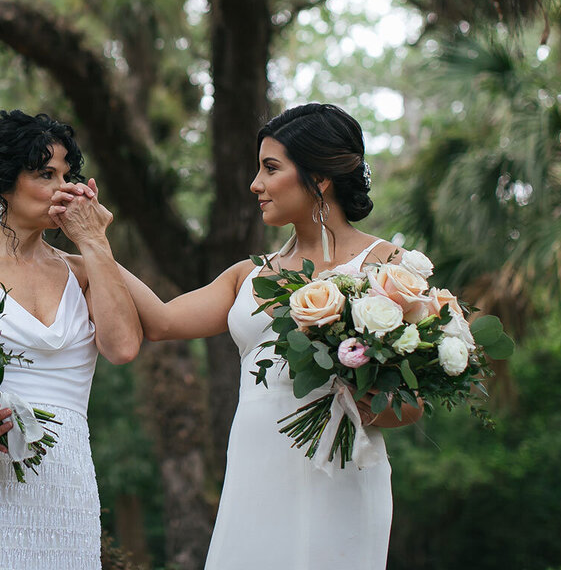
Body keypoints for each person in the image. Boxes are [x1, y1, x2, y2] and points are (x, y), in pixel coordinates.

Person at [54, 103, 421, 569]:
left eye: (271, 169)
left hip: (340, 471)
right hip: (255, 467)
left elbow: (411, 404)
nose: (255, 185)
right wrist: (95, 243)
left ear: (320, 177)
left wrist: (372, 404)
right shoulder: (249, 274)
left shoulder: (388, 269)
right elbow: (162, 322)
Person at [0, 110, 141, 569]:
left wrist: (94, 242)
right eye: (44, 174)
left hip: (65, 485)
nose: (63, 187)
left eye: (67, 174)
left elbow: (122, 348)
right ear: (0, 185)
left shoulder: (85, 271)